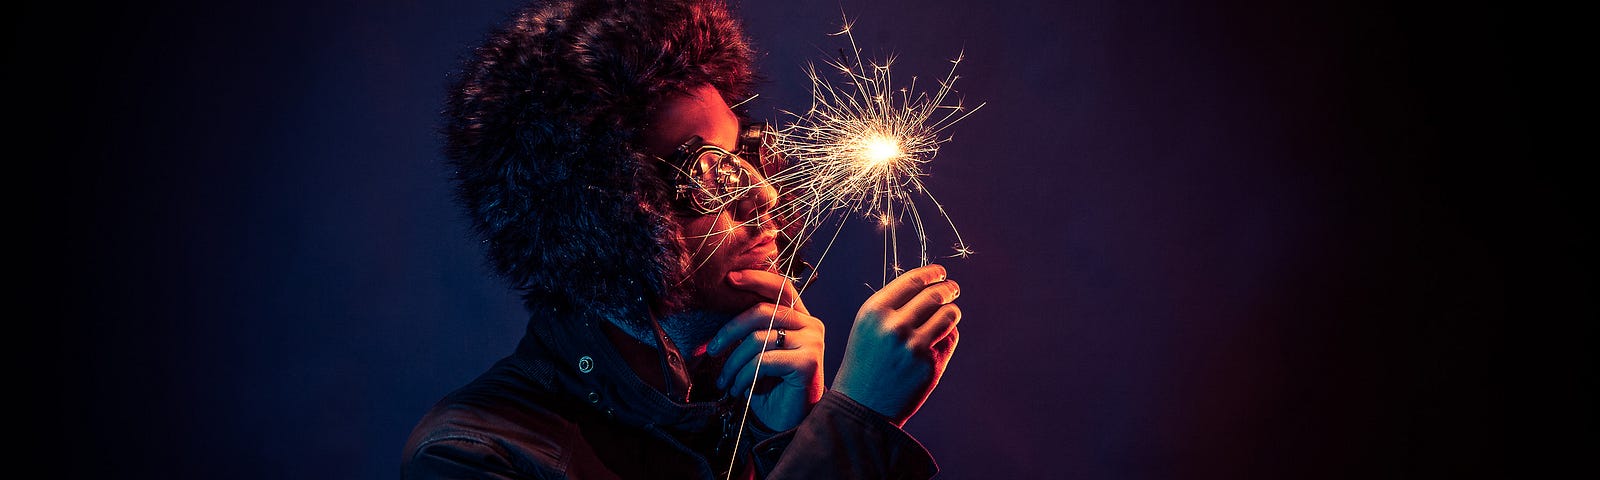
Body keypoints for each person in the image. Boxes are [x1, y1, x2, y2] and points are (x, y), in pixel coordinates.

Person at [402, 1, 964, 478]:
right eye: (707, 172)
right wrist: (851, 427)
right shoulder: (477, 456)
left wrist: (784, 442)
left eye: (747, 155)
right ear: (609, 217)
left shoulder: (752, 400)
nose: (764, 195)